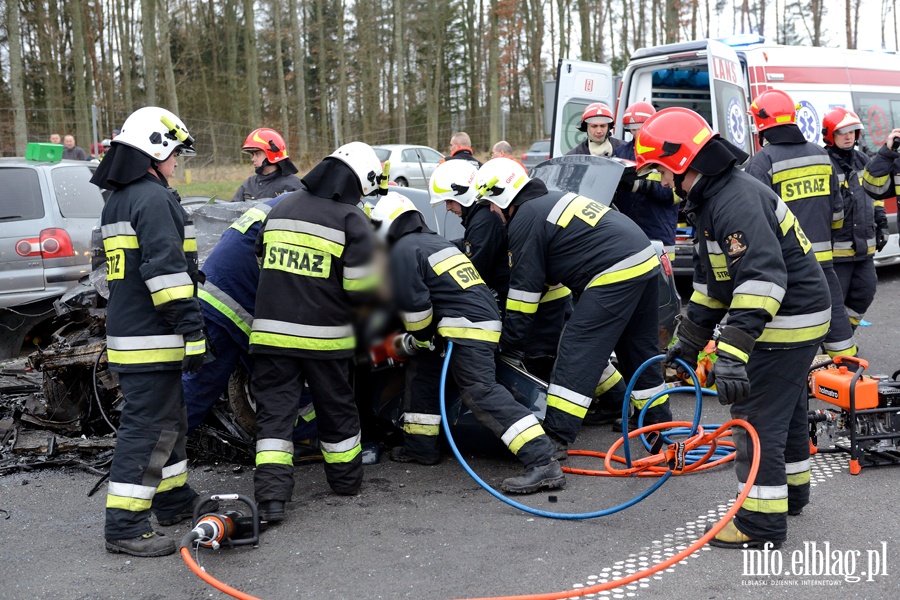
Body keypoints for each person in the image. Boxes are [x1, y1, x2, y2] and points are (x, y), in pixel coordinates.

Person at [636, 107, 831, 549]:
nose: (659, 181)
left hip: (787, 321)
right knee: (787, 409)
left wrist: (732, 354)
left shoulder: (733, 199)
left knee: (756, 418)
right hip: (795, 315)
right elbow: (711, 288)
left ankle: (759, 525)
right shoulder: (711, 199)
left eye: (660, 170)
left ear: (680, 162)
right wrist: (688, 345)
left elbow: (762, 280)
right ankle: (792, 495)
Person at [476, 157, 672, 459]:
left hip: (614, 270)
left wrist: (509, 344)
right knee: (639, 349)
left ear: (502, 195)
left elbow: (524, 295)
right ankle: (657, 423)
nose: (490, 210)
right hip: (643, 257)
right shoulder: (548, 200)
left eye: (490, 202)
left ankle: (556, 436)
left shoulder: (525, 218)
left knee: (577, 347)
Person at [371, 191, 565, 494]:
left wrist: (418, 337)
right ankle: (420, 447)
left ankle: (542, 460)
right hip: (473, 321)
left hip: (466, 327)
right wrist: (426, 343)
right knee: (423, 372)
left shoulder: (404, 249)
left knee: (480, 392)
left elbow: (417, 308)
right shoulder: (433, 243)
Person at [90, 107, 208, 557]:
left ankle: (174, 499)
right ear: (155, 151)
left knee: (169, 423)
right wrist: (191, 330)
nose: (178, 162)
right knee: (148, 430)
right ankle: (125, 526)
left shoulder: (119, 199)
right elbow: (166, 276)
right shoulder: (154, 200)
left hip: (132, 332)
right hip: (153, 336)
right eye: (175, 153)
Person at [249, 141, 383, 522]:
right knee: (336, 410)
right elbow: (361, 293)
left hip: (270, 336)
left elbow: (261, 258)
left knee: (274, 416)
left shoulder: (282, 205)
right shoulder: (350, 219)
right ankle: (345, 482)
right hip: (325, 339)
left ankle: (272, 499)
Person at [182, 195, 317, 446]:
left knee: (265, 376)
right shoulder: (319, 214)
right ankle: (156, 451)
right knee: (208, 380)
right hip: (234, 299)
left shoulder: (289, 201)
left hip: (217, 287)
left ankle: (155, 447)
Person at [744, 90, 856, 359]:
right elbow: (838, 211)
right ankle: (849, 372)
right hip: (824, 258)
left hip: (786, 260)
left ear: (762, 123)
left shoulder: (763, 161)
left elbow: (756, 217)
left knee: (788, 322)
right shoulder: (820, 155)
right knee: (835, 314)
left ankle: (797, 373)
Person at [823, 108, 885, 332]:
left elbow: (874, 196)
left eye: (853, 131)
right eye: (842, 132)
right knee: (834, 303)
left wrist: (882, 223)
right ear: (830, 134)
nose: (849, 136)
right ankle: (837, 344)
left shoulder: (863, 160)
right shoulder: (823, 162)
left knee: (864, 294)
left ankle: (843, 336)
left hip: (864, 249)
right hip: (836, 253)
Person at [612, 102, 680, 259]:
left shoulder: (667, 151)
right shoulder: (621, 152)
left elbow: (675, 195)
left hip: (658, 229)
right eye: (632, 128)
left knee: (660, 280)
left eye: (639, 127)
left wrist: (640, 186)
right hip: (627, 230)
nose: (636, 133)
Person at [232, 128, 303, 202]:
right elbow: (233, 210)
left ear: (272, 154)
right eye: (252, 155)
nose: (253, 159)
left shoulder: (295, 186)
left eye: (257, 154)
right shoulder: (249, 184)